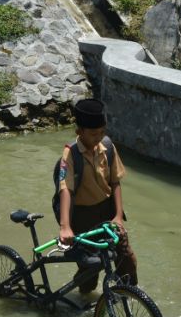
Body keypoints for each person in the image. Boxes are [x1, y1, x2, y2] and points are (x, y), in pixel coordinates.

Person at [56, 98, 137, 292]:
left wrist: (118, 216)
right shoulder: (71, 154)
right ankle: (82, 302)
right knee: (91, 269)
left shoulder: (107, 147)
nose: (98, 137)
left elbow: (115, 182)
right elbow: (65, 189)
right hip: (83, 218)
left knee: (127, 259)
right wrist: (65, 227)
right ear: (79, 132)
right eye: (93, 134)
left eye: (102, 132)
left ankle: (129, 298)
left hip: (108, 213)